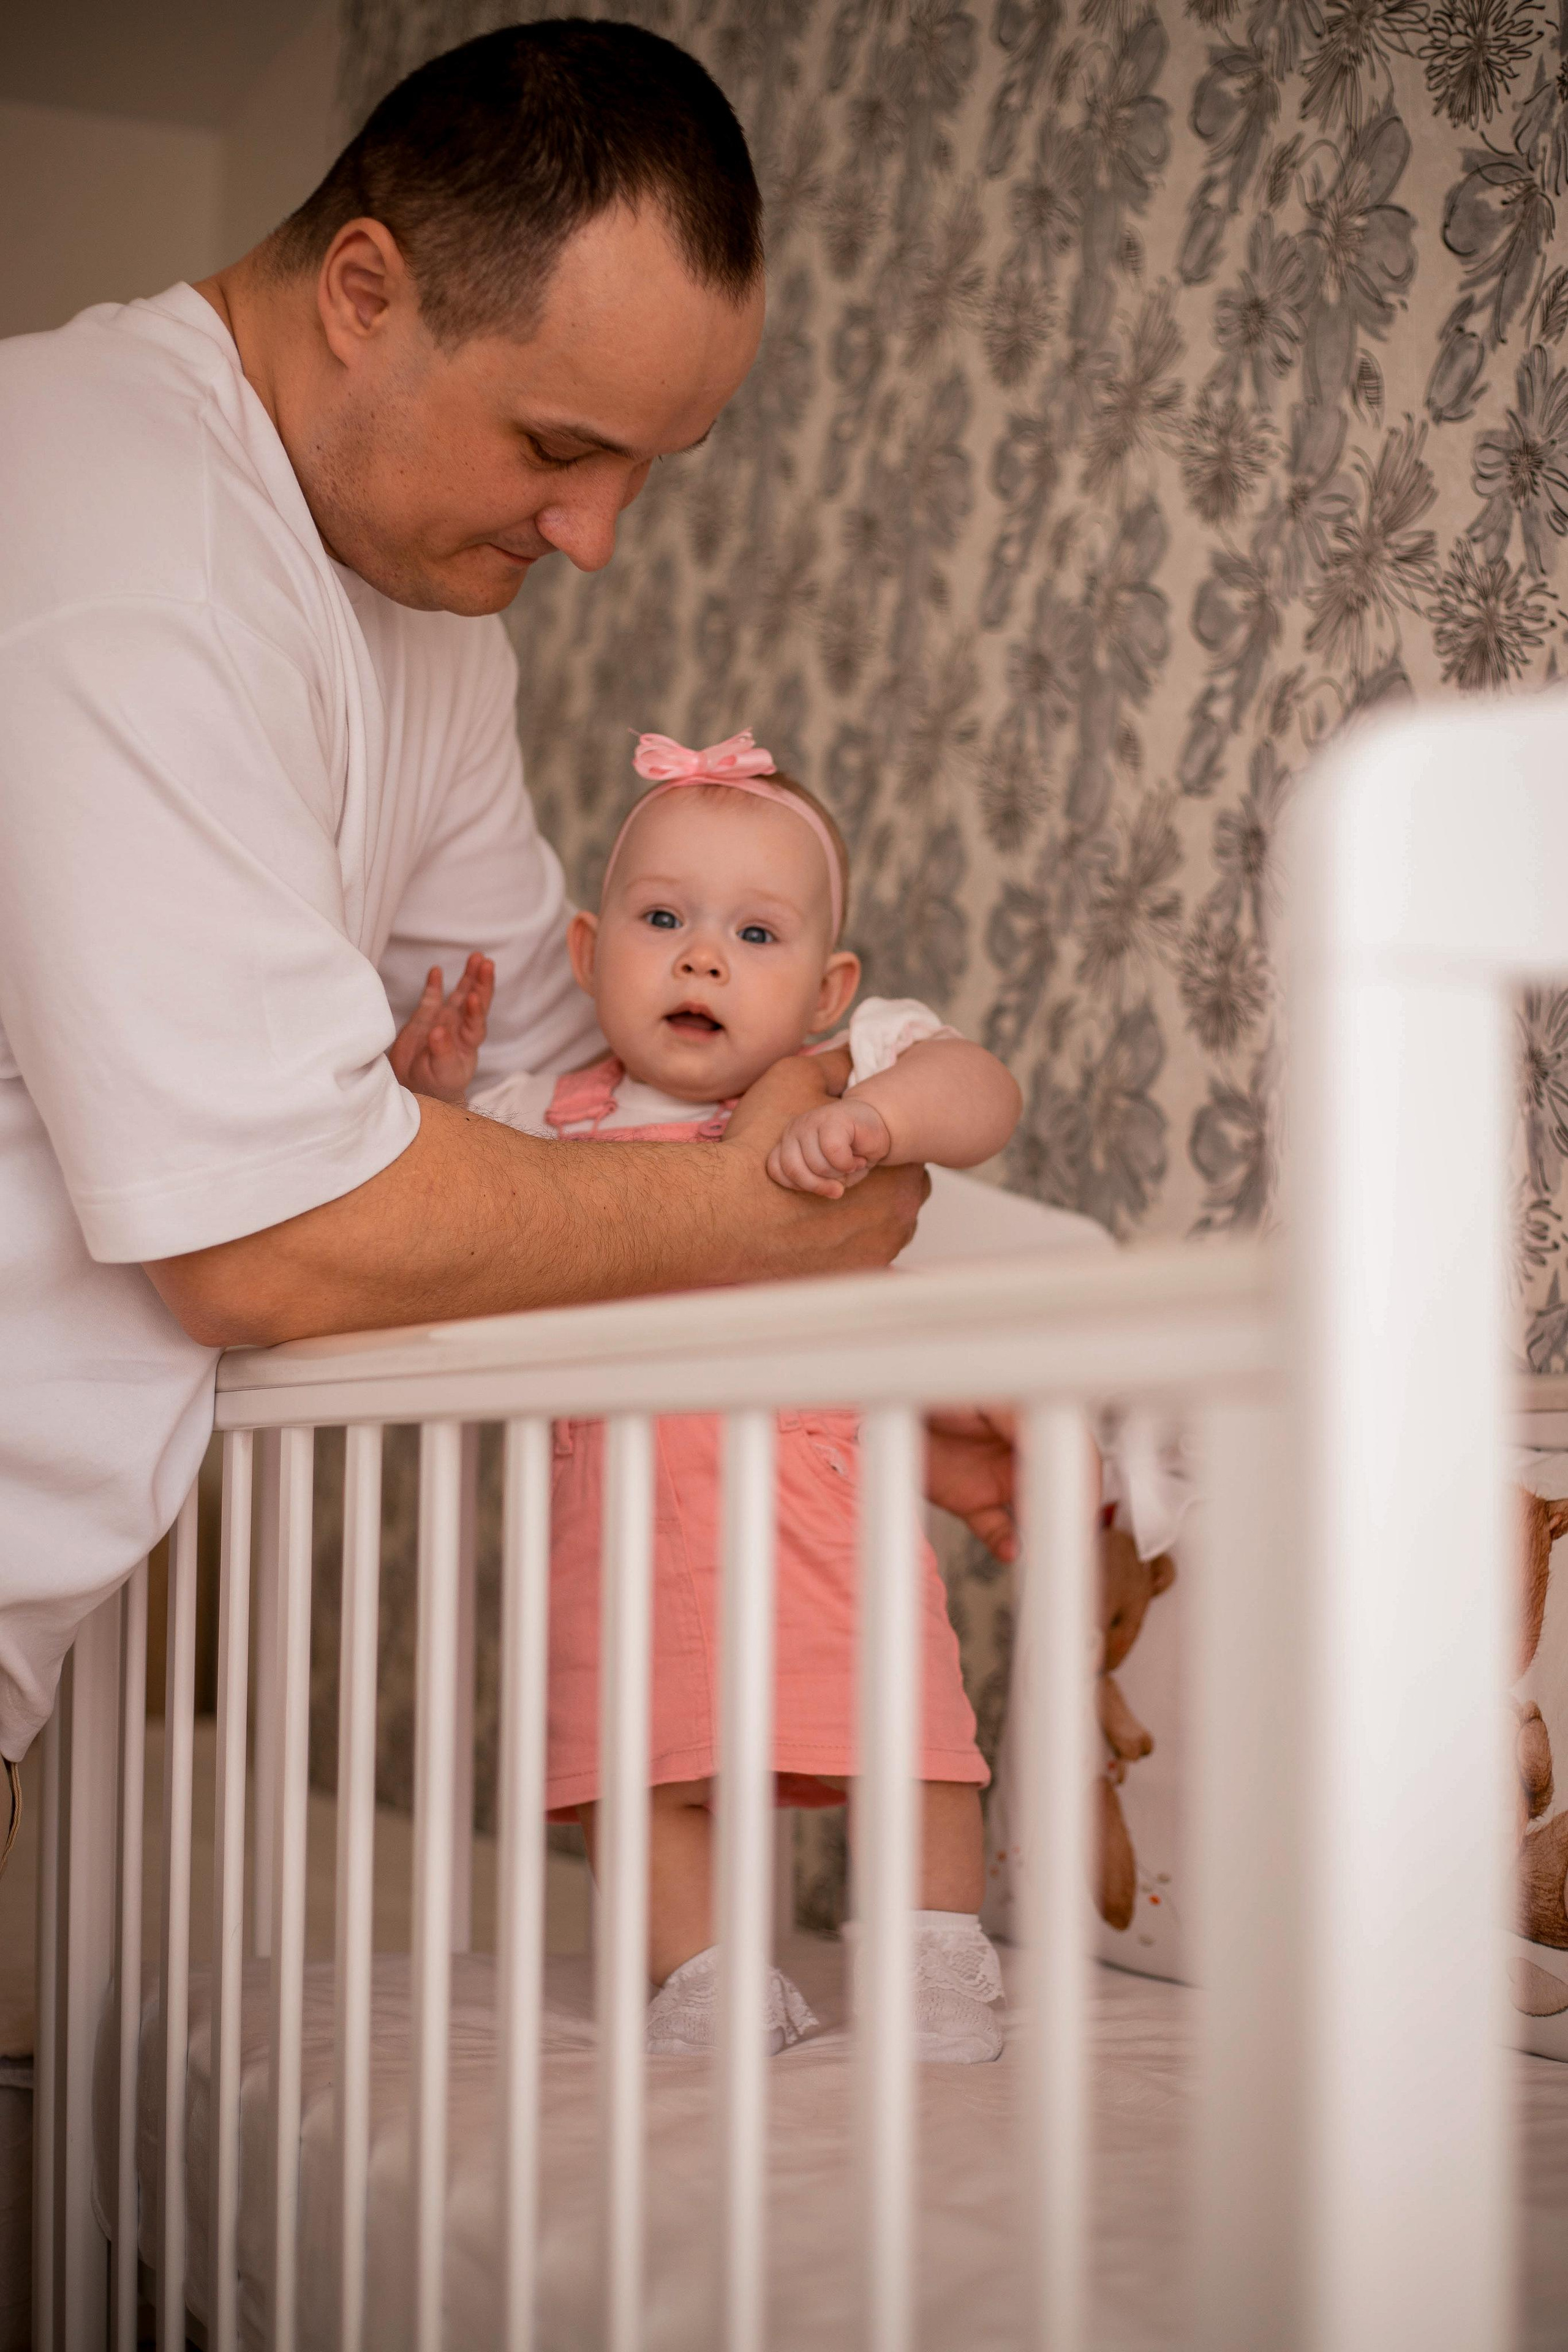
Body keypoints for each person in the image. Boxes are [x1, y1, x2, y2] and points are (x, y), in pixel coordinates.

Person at [0, 21, 1017, 1775]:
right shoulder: (119, 546)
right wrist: (768, 1231)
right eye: (558, 443)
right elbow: (268, 1232)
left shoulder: (422, 629)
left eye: (648, 465)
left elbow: (600, 1094)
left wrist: (963, 1332)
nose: (597, 537)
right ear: (365, 291)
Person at [398, 728, 1022, 2059]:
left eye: (754, 934)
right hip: (622, 1519)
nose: (699, 957)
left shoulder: (843, 1077)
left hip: (820, 1489)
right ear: (585, 952)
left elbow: (982, 1091)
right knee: (647, 1770)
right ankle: (701, 1979)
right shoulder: (542, 1119)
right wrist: (436, 1105)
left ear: (824, 986)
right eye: (663, 919)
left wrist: (883, 1123)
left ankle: (935, 1964)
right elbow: (436, 1223)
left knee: (905, 1738)